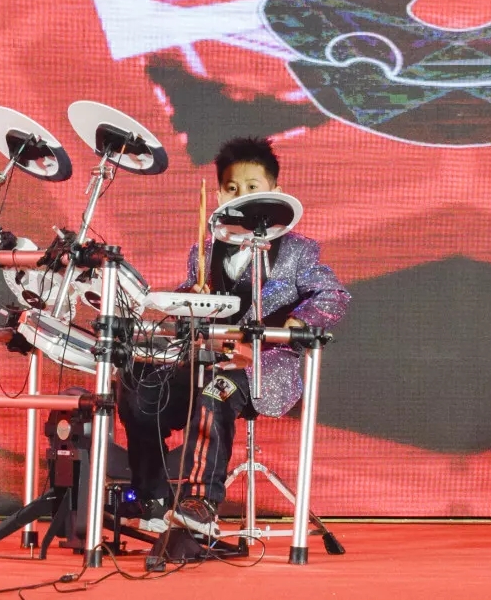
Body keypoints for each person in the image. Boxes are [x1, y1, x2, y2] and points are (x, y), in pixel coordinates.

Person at [117, 136, 350, 537]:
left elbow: (333, 295)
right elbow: (191, 296)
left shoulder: (298, 251)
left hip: (264, 367)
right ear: (219, 194)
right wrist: (188, 299)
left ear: (275, 191)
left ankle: (200, 503)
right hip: (206, 359)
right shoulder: (206, 250)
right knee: (138, 385)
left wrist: (295, 324)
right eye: (231, 188)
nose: (242, 196)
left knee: (216, 390)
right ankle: (152, 499)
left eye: (252, 186)